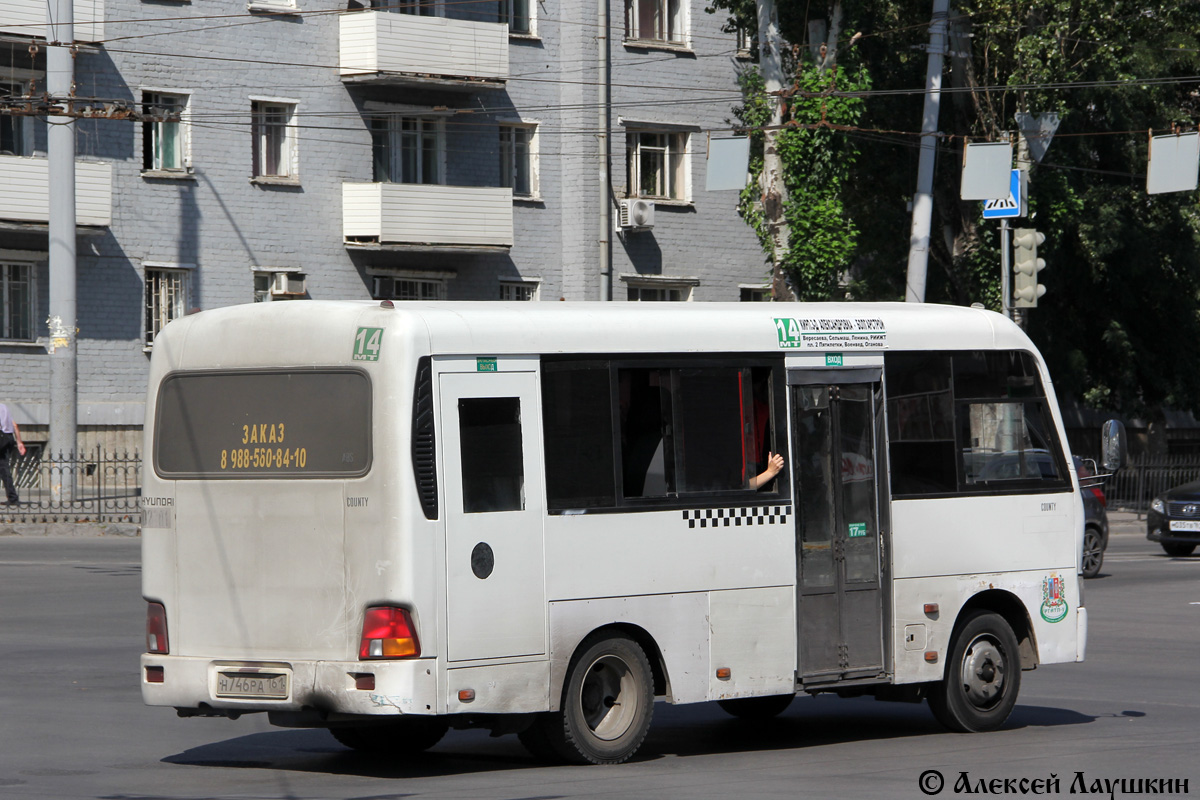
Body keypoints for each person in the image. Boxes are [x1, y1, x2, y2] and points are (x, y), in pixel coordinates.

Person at [0, 402, 27, 505]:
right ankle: (12, 497)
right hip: (9, 437)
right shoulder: (4, 407)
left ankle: (12, 497)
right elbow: (15, 425)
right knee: (4, 468)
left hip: (1, 437)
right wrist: (19, 442)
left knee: (4, 468)